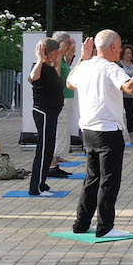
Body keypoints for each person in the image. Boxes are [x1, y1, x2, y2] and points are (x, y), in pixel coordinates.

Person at [67, 30, 133, 238]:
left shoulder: (85, 65)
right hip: (108, 132)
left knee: (92, 177)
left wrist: (81, 58)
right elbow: (132, 89)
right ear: (114, 47)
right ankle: (105, 227)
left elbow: (69, 83)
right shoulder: (110, 68)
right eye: (120, 45)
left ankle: (81, 223)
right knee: (108, 180)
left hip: (87, 130)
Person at [27, 38, 65, 196]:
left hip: (52, 112)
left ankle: (42, 184)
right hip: (43, 112)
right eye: (55, 52)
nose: (57, 55)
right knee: (42, 149)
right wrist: (40, 59)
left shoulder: (49, 68)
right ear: (47, 52)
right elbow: (32, 78)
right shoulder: (38, 67)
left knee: (49, 148)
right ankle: (35, 188)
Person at [49, 34, 77, 178]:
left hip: (67, 97)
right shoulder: (55, 57)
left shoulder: (63, 59)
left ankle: (57, 159)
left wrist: (69, 55)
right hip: (61, 98)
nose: (68, 46)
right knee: (59, 129)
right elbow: (56, 74)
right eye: (66, 43)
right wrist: (61, 54)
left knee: (63, 129)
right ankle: (52, 163)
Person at [119, 43, 133, 137]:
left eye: (130, 53)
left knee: (130, 116)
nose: (129, 55)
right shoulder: (119, 64)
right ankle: (119, 135)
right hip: (121, 94)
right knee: (118, 116)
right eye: (127, 53)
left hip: (132, 95)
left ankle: (132, 138)